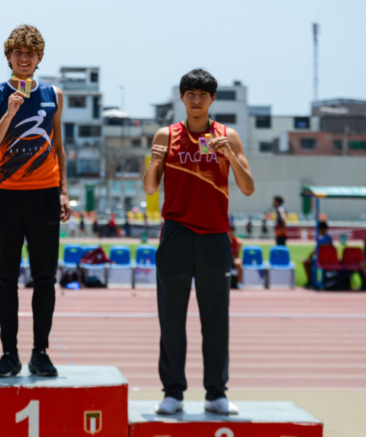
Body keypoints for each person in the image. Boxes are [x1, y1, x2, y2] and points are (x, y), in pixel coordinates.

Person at [143, 68, 254, 416]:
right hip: (176, 234)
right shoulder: (167, 134)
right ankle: (173, 392)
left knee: (215, 319)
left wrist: (230, 155)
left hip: (214, 235)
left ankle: (216, 393)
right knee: (172, 318)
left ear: (212, 100)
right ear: (181, 98)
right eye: (190, 94)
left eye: (202, 95)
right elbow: (149, 187)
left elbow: (248, 188)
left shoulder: (227, 135)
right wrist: (156, 158)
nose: (196, 100)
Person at [0, 24, 71, 378]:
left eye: (30, 53)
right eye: (18, 52)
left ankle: (40, 352)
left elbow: (60, 146)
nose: (24, 58)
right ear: (8, 57)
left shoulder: (53, 95)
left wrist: (64, 190)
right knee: (6, 279)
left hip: (45, 194)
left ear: (39, 59)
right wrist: (9, 114)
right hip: (7, 196)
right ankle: (8, 354)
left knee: (45, 278)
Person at [303, 222, 333, 288]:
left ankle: (311, 281)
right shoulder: (321, 238)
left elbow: (327, 246)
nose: (318, 231)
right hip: (319, 258)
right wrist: (310, 256)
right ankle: (311, 281)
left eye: (319, 229)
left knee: (307, 262)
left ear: (323, 229)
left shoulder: (327, 238)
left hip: (325, 260)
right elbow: (316, 250)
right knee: (306, 262)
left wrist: (319, 247)